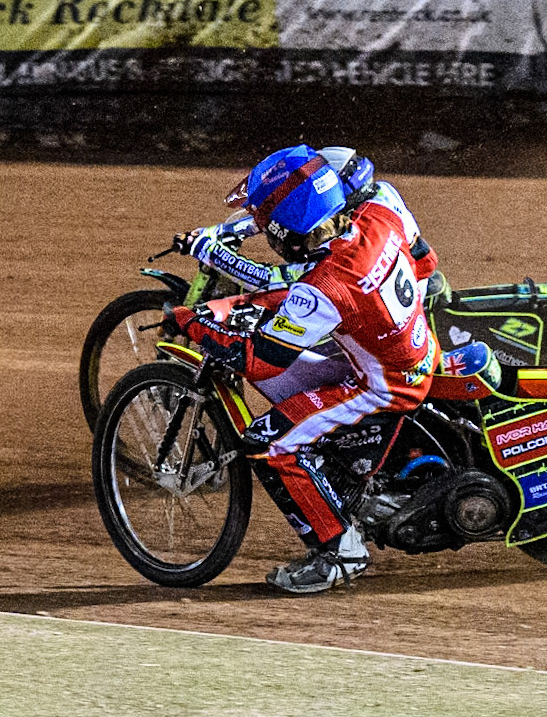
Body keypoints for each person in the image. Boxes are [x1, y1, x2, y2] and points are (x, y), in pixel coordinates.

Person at [166, 144, 439, 593]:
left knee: (268, 442)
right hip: (418, 346)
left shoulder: (323, 289)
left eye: (268, 227)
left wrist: (192, 324)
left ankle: (339, 553)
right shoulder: (379, 211)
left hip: (383, 386)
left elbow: (256, 358)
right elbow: (426, 262)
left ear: (287, 230)